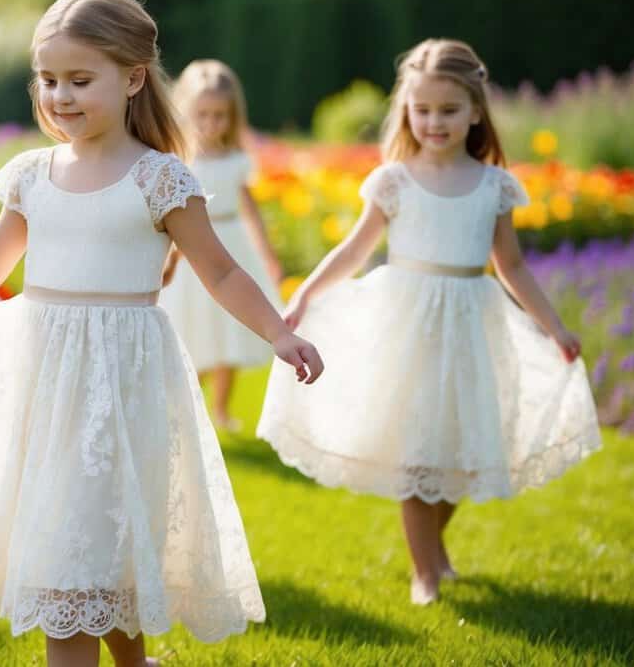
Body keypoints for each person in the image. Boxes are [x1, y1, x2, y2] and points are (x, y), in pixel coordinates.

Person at [0, 0, 323, 667]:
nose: (60, 96)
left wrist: (279, 332)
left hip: (123, 382)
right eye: (50, 79)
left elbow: (223, 272)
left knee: (95, 543)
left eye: (80, 80)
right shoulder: (33, 175)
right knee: (72, 546)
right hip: (47, 384)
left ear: (133, 78)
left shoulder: (160, 179)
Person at [257, 38, 601, 606]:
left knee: (462, 449)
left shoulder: (492, 185)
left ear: (474, 112)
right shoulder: (396, 181)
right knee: (419, 453)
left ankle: (436, 551)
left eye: (448, 110)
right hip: (409, 328)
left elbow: (510, 264)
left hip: (471, 324)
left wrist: (553, 326)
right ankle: (425, 573)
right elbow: (353, 249)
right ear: (406, 112)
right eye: (422, 110)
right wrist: (307, 293)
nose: (434, 122)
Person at [160, 60, 283, 431]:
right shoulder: (181, 160)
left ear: (232, 117)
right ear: (186, 113)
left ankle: (222, 410)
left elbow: (250, 209)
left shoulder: (236, 160)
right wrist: (170, 258)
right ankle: (187, 407)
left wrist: (267, 253)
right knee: (195, 333)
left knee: (229, 331)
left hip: (231, 244)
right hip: (193, 249)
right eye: (203, 115)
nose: (211, 124)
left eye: (220, 116)